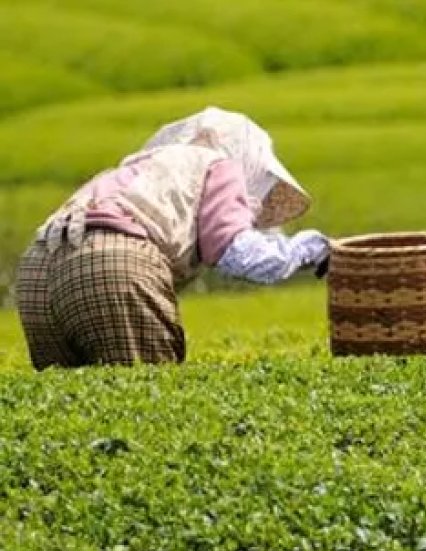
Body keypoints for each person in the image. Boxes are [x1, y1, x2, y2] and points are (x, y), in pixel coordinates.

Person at [16, 107, 330, 369]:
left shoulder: (136, 170)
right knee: (141, 401)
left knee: (73, 405)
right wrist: (307, 249)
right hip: (110, 265)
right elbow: (243, 256)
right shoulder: (218, 167)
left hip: (35, 274)